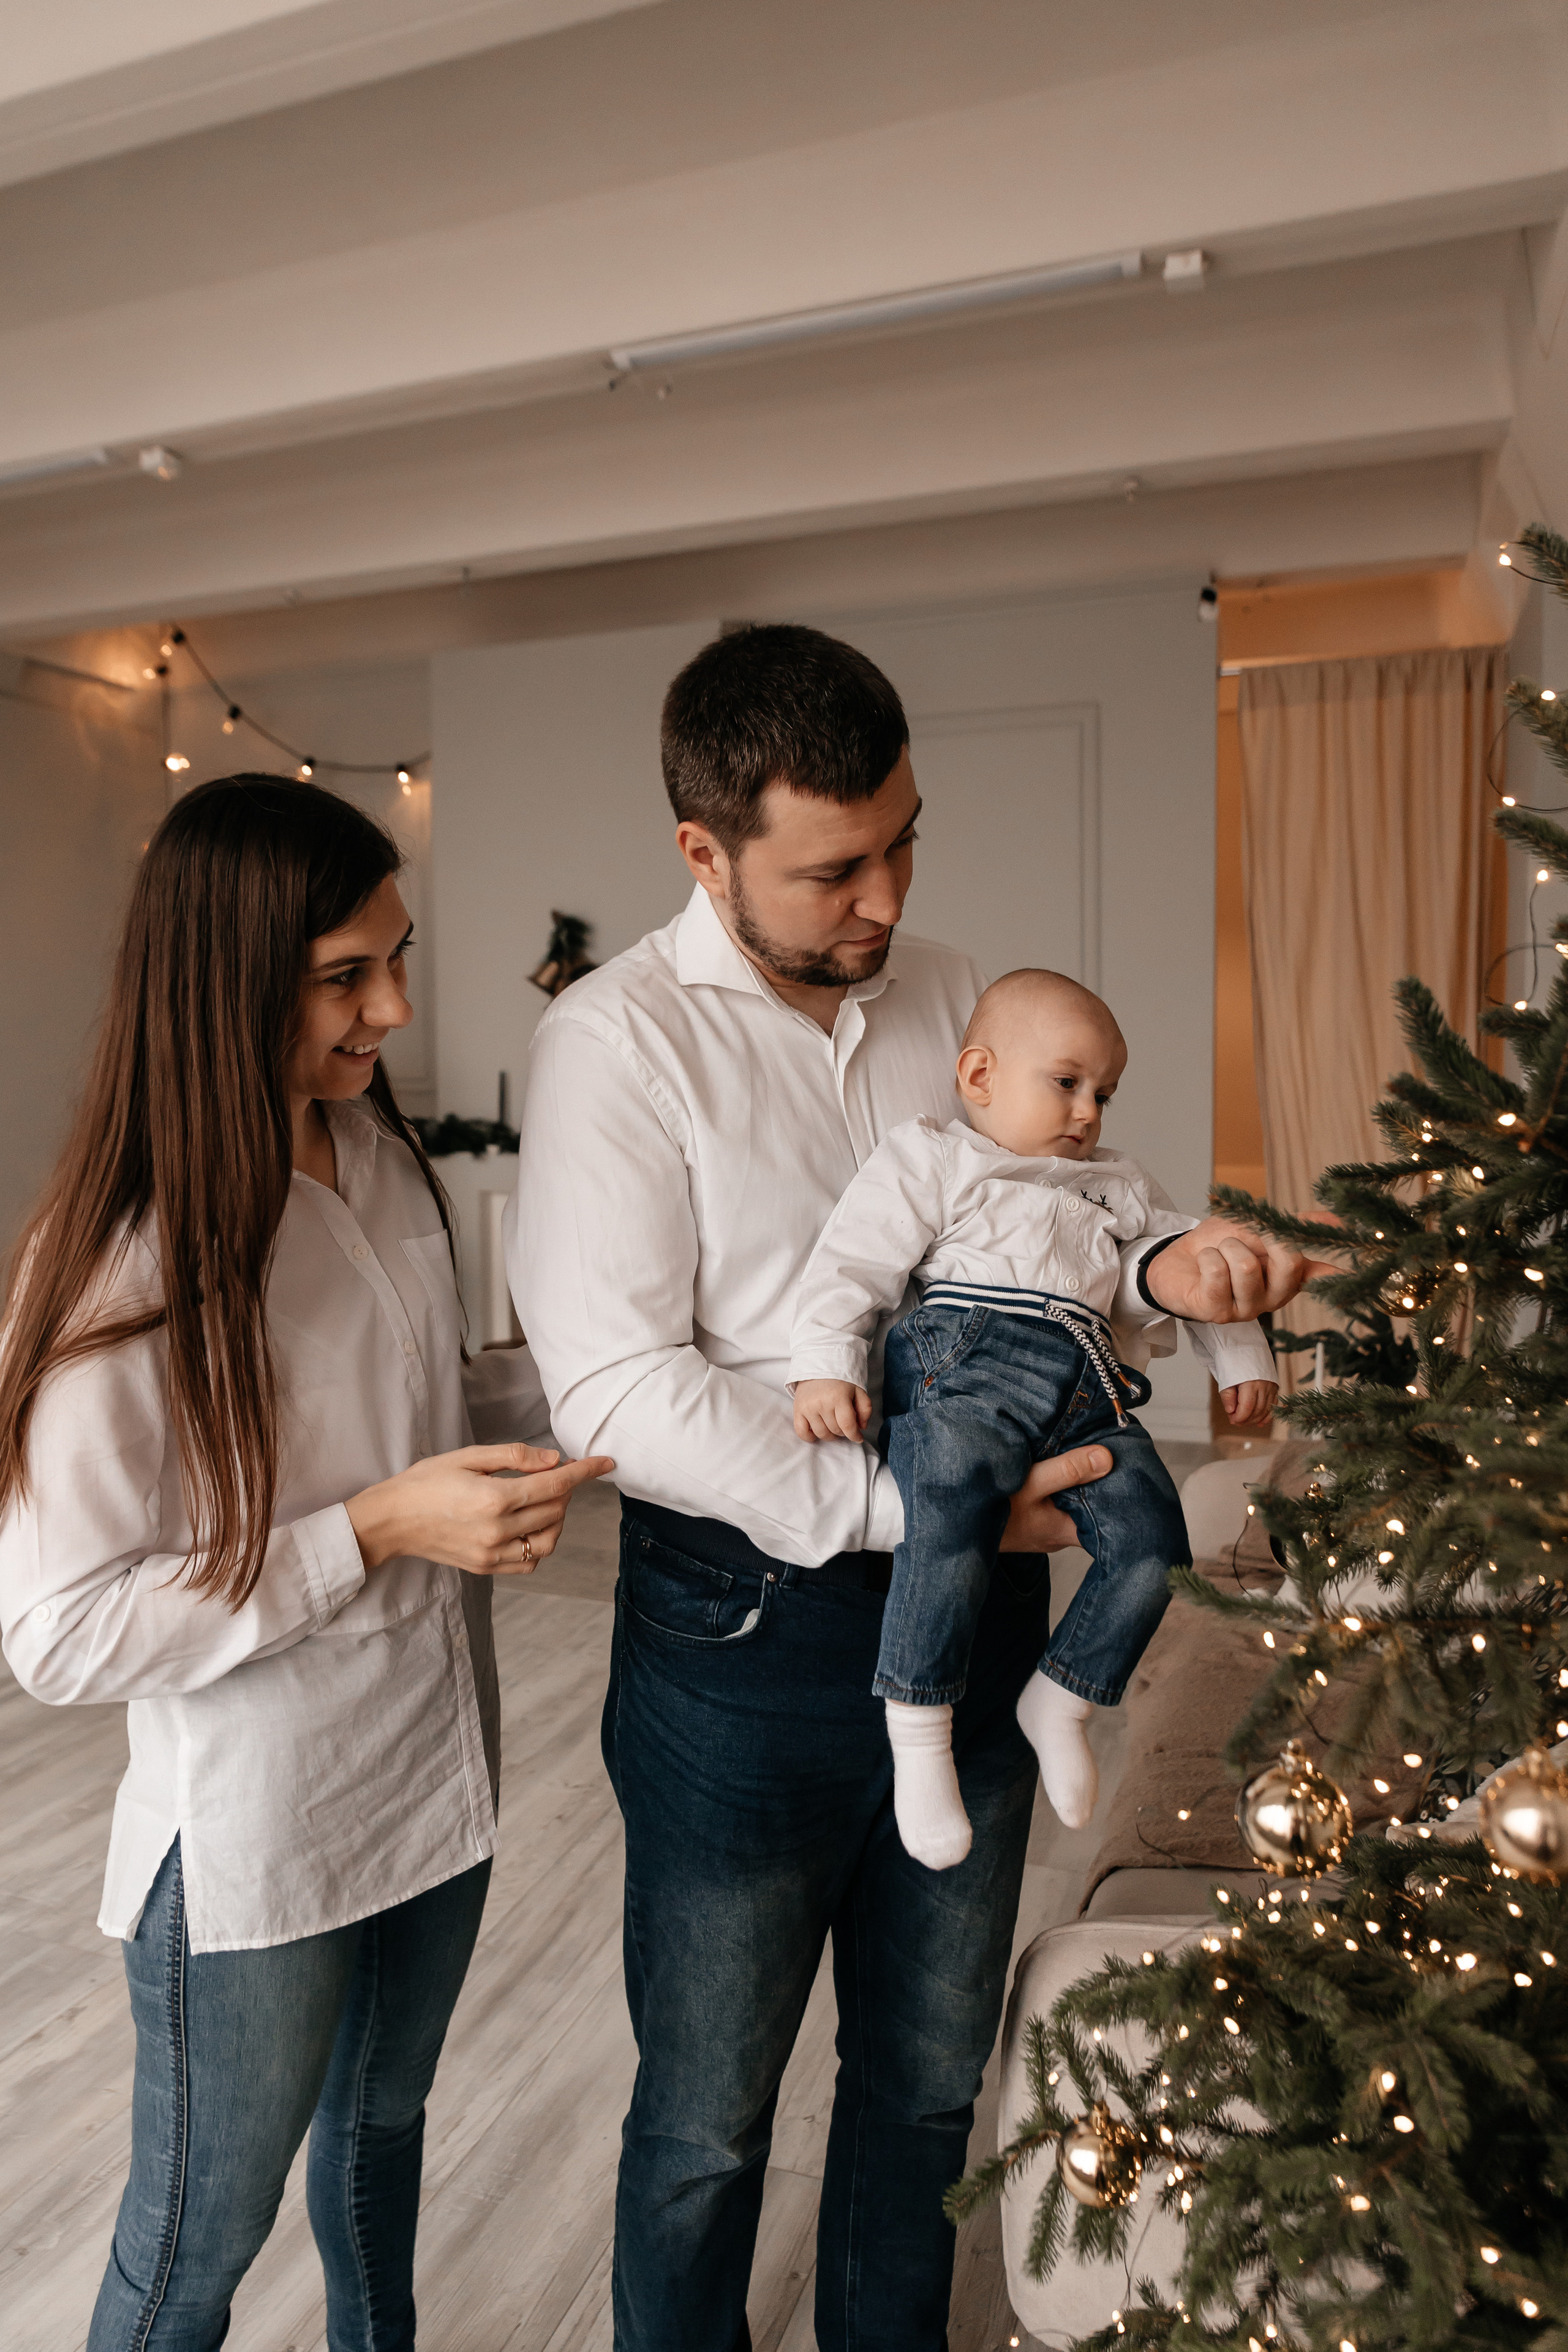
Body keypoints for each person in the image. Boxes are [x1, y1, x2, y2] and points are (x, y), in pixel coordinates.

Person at [509, 625, 1315, 2352]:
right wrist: (913, 1508)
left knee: (933, 2082)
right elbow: (618, 1390)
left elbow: (1065, 1257)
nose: (884, 896)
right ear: (701, 853)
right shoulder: (614, 1044)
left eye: (905, 841)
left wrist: (1178, 1290)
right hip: (744, 1630)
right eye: (833, 867)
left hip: (988, 1609)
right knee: (708, 2123)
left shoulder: (967, 998)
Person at [0, 775, 610, 2352]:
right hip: (257, 1841)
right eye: (346, 975)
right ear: (225, 979)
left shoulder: (381, 1159)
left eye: (393, 959)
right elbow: (59, 1632)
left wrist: (594, 1392)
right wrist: (381, 1528)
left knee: (380, 2141)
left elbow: (428, 1401)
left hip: (435, 1773)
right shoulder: (123, 1259)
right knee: (198, 2242)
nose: (394, 1008)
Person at [790, 966, 1282, 1869]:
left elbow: (1197, 1253)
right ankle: (919, 1731)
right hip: (965, 1363)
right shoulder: (936, 1156)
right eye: (1067, 1083)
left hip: (1085, 1386)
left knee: (1155, 1543)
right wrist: (824, 1368)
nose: (1089, 1112)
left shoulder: (1117, 1183)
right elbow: (850, 1265)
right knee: (948, 1518)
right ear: (979, 1077)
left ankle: (1062, 1696)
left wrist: (1241, 1354)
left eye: (1104, 1093)